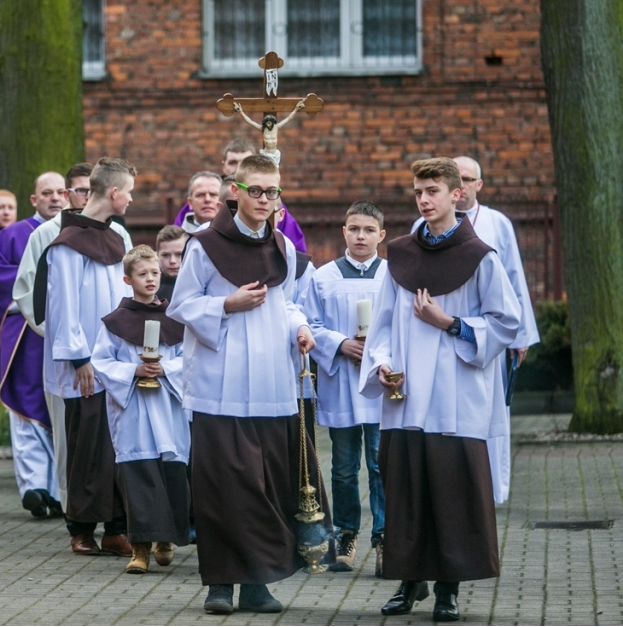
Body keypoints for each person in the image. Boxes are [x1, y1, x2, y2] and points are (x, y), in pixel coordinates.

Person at [360, 157, 520, 622]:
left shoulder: (481, 257)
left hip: (455, 395)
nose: (424, 200)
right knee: (406, 491)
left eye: (433, 190)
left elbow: (504, 323)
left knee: (452, 493)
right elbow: (384, 323)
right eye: (418, 192)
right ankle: (410, 583)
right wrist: (384, 363)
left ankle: (448, 589)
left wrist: (449, 323)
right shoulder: (401, 256)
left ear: (458, 195)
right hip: (406, 397)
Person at [167, 154, 322, 615]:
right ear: (234, 191)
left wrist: (301, 328)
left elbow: (288, 303)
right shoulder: (205, 245)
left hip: (274, 386)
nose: (264, 199)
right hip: (221, 385)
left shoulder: (284, 249)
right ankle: (221, 583)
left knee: (268, 486)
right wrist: (226, 305)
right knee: (223, 487)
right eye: (255, 190)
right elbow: (181, 305)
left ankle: (259, 582)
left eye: (272, 191)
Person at [412, 156, 540, 504]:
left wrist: (520, 336)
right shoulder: (419, 227)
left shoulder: (496, 224)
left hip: (477, 339)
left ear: (475, 185)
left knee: (487, 410)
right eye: (419, 192)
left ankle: (493, 487)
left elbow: (513, 279)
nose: (465, 185)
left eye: (469, 179)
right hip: (429, 340)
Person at [37, 157, 136, 557]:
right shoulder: (66, 244)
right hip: (84, 364)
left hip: (118, 357)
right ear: (113, 192)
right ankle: (80, 527)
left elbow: (129, 295)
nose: (131, 198)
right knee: (86, 445)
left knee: (119, 444)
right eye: (129, 191)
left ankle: (116, 527)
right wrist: (80, 359)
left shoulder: (122, 237)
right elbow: (63, 306)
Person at [12, 162, 109, 510]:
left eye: (91, 189)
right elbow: (29, 294)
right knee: (70, 435)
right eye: (81, 190)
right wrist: (59, 336)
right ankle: (72, 506)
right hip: (66, 353)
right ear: (70, 194)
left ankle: (109, 507)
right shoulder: (48, 234)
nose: (87, 196)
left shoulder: (115, 232)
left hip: (108, 353)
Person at [302, 201, 388, 577]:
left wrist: (377, 353)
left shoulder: (393, 275)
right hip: (343, 383)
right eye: (354, 229)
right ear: (344, 232)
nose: (360, 236)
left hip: (381, 382)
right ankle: (347, 534)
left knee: (381, 463)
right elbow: (308, 323)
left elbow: (403, 325)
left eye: (369, 230)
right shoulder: (323, 278)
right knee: (343, 467)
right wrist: (340, 344)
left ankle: (385, 537)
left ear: (381, 235)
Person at [92, 245, 190, 574]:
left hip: (167, 405)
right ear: (127, 278)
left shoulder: (175, 318)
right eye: (143, 274)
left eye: (154, 274)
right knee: (138, 476)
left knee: (171, 473)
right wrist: (132, 371)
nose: (150, 279)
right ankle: (140, 548)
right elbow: (101, 361)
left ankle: (166, 539)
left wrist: (167, 370)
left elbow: (188, 358)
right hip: (133, 408)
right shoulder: (115, 322)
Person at [0, 171, 67, 517]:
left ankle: (60, 492)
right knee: (25, 410)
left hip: (62, 337)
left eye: (61, 191)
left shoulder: (78, 233)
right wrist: (35, 292)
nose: (56, 198)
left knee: (59, 412)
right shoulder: (12, 235)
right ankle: (34, 486)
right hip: (24, 337)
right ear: (34, 200)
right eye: (47, 193)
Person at [174, 139, 307, 252]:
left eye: (244, 162)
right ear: (223, 165)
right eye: (233, 163)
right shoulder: (203, 205)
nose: (238, 168)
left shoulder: (273, 206)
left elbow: (295, 254)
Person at [155, 225, 187, 303]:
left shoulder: (200, 287)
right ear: (157, 256)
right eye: (165, 255)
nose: (172, 261)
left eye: (179, 254)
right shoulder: (151, 289)